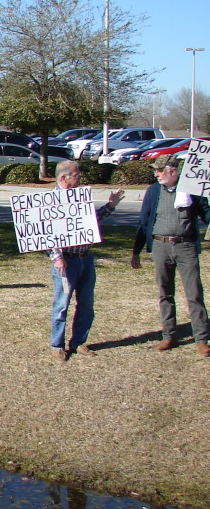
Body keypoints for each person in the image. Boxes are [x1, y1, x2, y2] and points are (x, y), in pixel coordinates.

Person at [130, 155, 210, 356]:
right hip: (160, 246)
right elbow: (144, 221)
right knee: (165, 293)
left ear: (173, 170)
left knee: (194, 293)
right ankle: (169, 336)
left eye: (160, 170)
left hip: (185, 246)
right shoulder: (153, 191)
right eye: (155, 170)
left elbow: (206, 214)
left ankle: (201, 338)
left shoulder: (192, 190)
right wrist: (136, 251)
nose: (156, 174)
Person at [47, 160, 124, 361]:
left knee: (86, 303)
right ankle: (57, 345)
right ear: (64, 177)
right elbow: (45, 232)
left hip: (85, 259)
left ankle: (79, 341)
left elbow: (93, 219)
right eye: (76, 174)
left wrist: (111, 205)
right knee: (62, 304)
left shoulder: (80, 198)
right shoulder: (50, 201)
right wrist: (57, 257)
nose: (80, 177)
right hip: (66, 261)